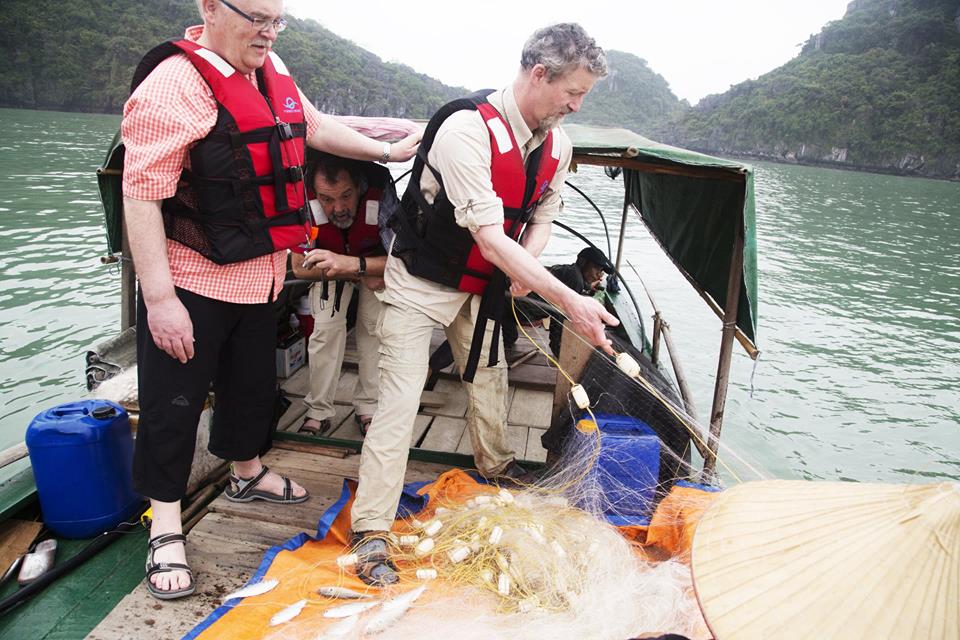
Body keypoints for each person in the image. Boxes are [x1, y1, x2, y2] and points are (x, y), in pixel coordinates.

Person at [121, 0, 419, 600]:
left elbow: (309, 125)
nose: (268, 32)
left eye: (277, 20)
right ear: (210, 7)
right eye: (257, 17)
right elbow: (141, 192)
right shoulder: (173, 85)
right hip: (193, 276)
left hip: (259, 275)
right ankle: (168, 527)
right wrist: (159, 299)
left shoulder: (269, 67)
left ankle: (246, 473)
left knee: (250, 386)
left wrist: (387, 151)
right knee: (172, 404)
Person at [348, 23, 616, 585]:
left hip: (486, 284)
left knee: (489, 375)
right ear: (539, 73)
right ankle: (371, 527)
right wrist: (566, 297)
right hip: (421, 280)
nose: (576, 105)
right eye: (573, 92)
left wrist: (528, 269)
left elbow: (538, 216)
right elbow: (491, 237)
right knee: (398, 400)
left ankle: (495, 466)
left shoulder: (558, 144)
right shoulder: (465, 131)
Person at [291, 153, 390, 436]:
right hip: (328, 267)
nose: (338, 208)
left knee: (373, 332)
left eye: (346, 196)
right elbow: (299, 268)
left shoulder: (381, 195)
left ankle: (368, 407)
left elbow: (400, 259)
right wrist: (348, 268)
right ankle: (318, 410)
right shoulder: (303, 201)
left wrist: (360, 267)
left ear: (359, 187)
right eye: (327, 199)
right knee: (323, 332)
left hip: (373, 262)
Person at [504, 245, 615, 356]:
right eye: (596, 268)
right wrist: (559, 351)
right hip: (512, 309)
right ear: (582, 262)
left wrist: (587, 288)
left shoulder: (568, 271)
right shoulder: (574, 278)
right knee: (508, 338)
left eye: (601, 272)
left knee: (510, 337)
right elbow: (559, 319)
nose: (599, 276)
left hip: (510, 305)